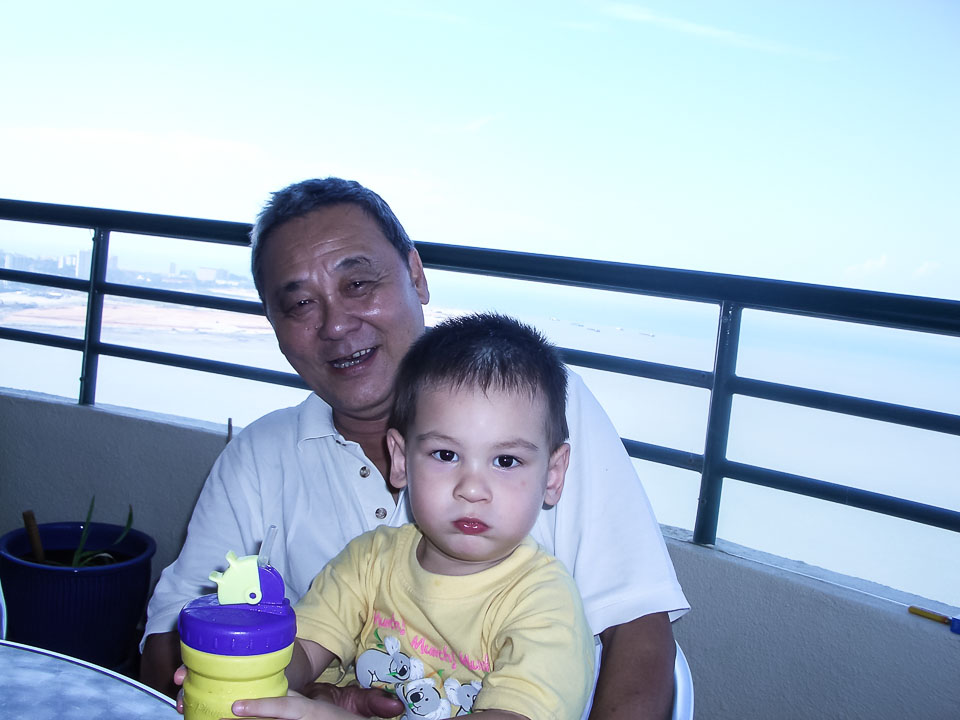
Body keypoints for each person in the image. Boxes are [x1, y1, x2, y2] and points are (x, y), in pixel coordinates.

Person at [141, 177, 688, 719]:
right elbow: (175, 633)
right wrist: (254, 685)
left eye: (358, 284)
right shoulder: (269, 466)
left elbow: (636, 623)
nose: (336, 325)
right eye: (301, 303)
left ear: (416, 276)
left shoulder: (536, 403)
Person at [220, 313, 596, 720]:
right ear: (401, 460)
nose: (471, 489)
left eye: (506, 460)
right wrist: (241, 675)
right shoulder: (369, 561)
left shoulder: (544, 604)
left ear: (552, 475)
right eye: (445, 455)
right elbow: (303, 651)